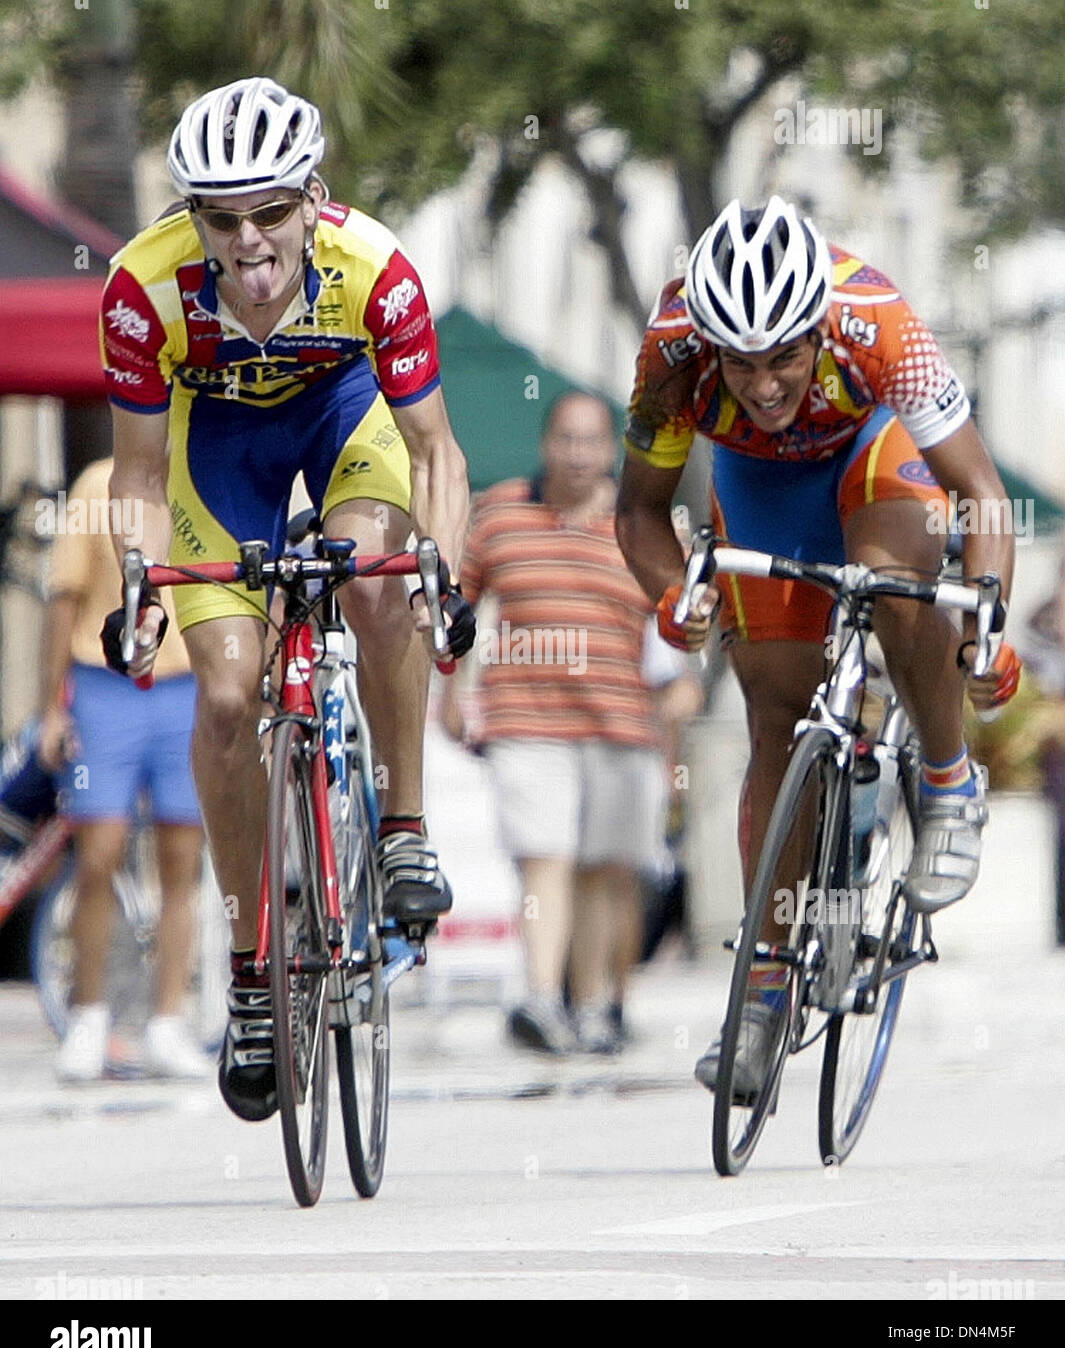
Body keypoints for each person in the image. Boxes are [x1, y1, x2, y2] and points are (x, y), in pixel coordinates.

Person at [98, 77, 475, 1121]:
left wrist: (440, 565)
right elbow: (134, 475)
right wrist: (140, 588)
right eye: (222, 219)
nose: (249, 242)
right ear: (194, 219)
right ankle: (254, 972)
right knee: (224, 699)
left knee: (376, 588)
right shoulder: (141, 288)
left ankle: (401, 829)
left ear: (313, 199)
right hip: (217, 453)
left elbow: (437, 449)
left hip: (346, 421)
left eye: (270, 212)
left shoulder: (377, 270)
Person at [615, 197, 1021, 1096]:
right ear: (707, 344)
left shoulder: (876, 321)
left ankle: (948, 782)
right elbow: (639, 512)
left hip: (873, 454)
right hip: (761, 484)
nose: (763, 385)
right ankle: (761, 993)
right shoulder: (672, 350)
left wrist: (986, 620)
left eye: (785, 358)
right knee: (771, 712)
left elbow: (983, 492)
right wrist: (672, 593)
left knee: (891, 581)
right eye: (741, 363)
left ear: (817, 330)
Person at [444, 391, 682, 1054]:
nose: (577, 455)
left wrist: (676, 719)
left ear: (610, 451)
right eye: (566, 440)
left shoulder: (642, 524)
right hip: (526, 718)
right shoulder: (498, 515)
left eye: (590, 442)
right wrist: (449, 692)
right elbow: (453, 609)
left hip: (622, 719)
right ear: (545, 443)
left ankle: (600, 1004)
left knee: (609, 869)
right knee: (544, 858)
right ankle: (543, 999)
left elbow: (678, 630)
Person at [39, 458, 210, 1082]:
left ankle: (168, 1020)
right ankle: (88, 1014)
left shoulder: (200, 470)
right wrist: (50, 707)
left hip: (183, 685)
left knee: (180, 867)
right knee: (97, 854)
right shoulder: (96, 481)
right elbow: (64, 596)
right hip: (104, 682)